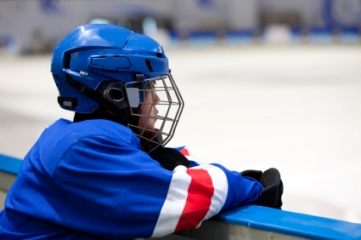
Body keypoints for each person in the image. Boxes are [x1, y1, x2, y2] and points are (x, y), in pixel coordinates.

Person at [0, 24, 283, 239]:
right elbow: (181, 199)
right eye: (148, 88)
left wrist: (179, 164)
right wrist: (254, 187)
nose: (158, 100)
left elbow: (164, 165)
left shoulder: (79, 137)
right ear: (116, 95)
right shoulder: (83, 149)